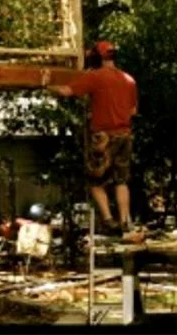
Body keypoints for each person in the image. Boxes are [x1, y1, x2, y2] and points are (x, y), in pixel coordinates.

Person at [42, 41, 138, 234]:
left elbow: (66, 91)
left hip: (103, 137)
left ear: (98, 57)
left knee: (94, 181)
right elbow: (133, 110)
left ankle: (109, 220)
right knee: (121, 180)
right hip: (125, 135)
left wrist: (46, 84)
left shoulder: (95, 77)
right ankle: (126, 221)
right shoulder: (129, 80)